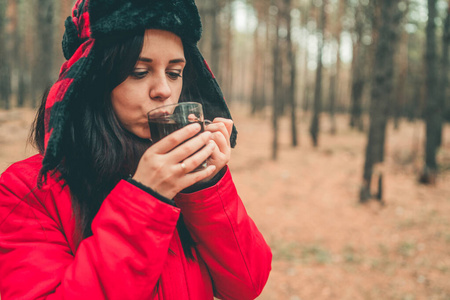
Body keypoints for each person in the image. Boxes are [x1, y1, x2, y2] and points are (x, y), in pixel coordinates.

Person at [0, 0, 272, 299]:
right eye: (140, 72)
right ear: (94, 78)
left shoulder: (185, 176)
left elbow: (247, 284)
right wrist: (145, 199)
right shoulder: (25, 191)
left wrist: (206, 186)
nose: (164, 90)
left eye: (174, 72)